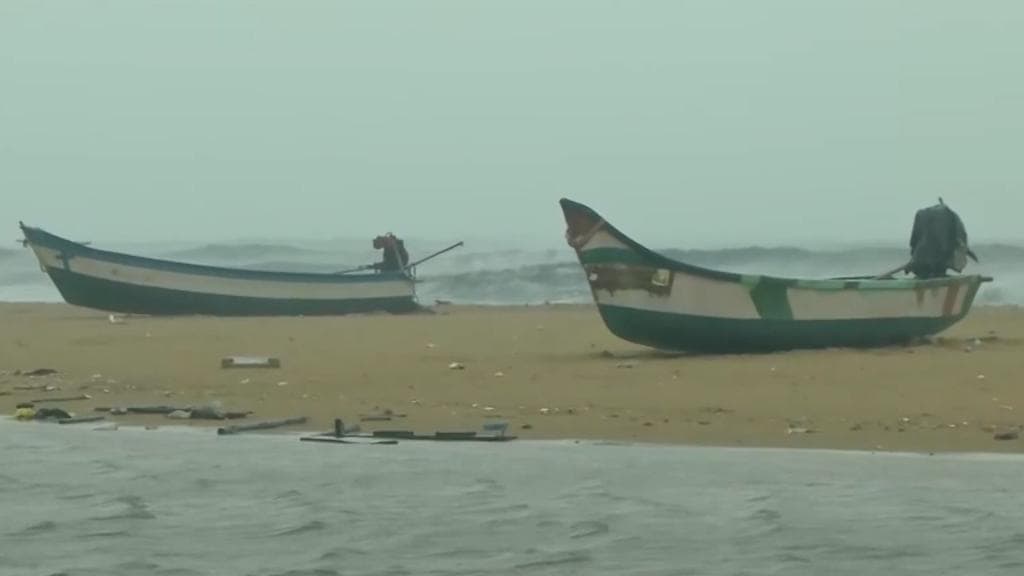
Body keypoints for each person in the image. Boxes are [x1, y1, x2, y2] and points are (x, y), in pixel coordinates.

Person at [905, 198, 978, 279]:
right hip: (928, 262)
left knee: (927, 268)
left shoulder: (925, 217)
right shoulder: (948, 221)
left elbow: (913, 243)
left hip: (921, 263)